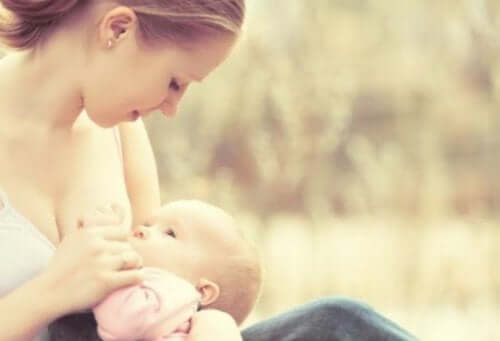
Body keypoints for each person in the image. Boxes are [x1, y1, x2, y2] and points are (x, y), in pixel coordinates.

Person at [0, 0, 417, 340]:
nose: (171, 108)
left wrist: (209, 324)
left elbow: (161, 287)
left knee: (337, 324)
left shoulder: (122, 135)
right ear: (118, 30)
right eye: (174, 82)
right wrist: (49, 293)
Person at [49, 200, 262, 341]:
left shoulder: (172, 290)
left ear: (202, 291)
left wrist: (102, 242)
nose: (142, 230)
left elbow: (125, 320)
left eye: (169, 233)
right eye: (149, 224)